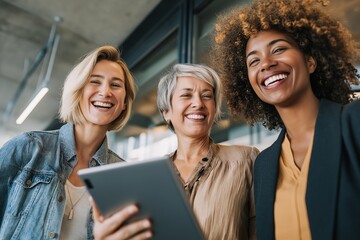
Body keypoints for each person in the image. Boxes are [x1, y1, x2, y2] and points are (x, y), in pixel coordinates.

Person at [213, 0, 360, 239]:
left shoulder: (354, 123)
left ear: (310, 61)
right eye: (254, 61)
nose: (266, 64)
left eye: (279, 49)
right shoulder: (264, 164)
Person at [93, 63, 259, 240]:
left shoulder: (246, 160)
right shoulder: (149, 176)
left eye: (207, 96)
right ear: (166, 112)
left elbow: (263, 231)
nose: (198, 103)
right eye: (186, 95)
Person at [0, 45, 145, 239]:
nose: (105, 92)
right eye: (95, 82)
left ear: (124, 102)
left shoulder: (122, 176)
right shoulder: (28, 148)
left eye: (116, 85)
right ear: (78, 91)